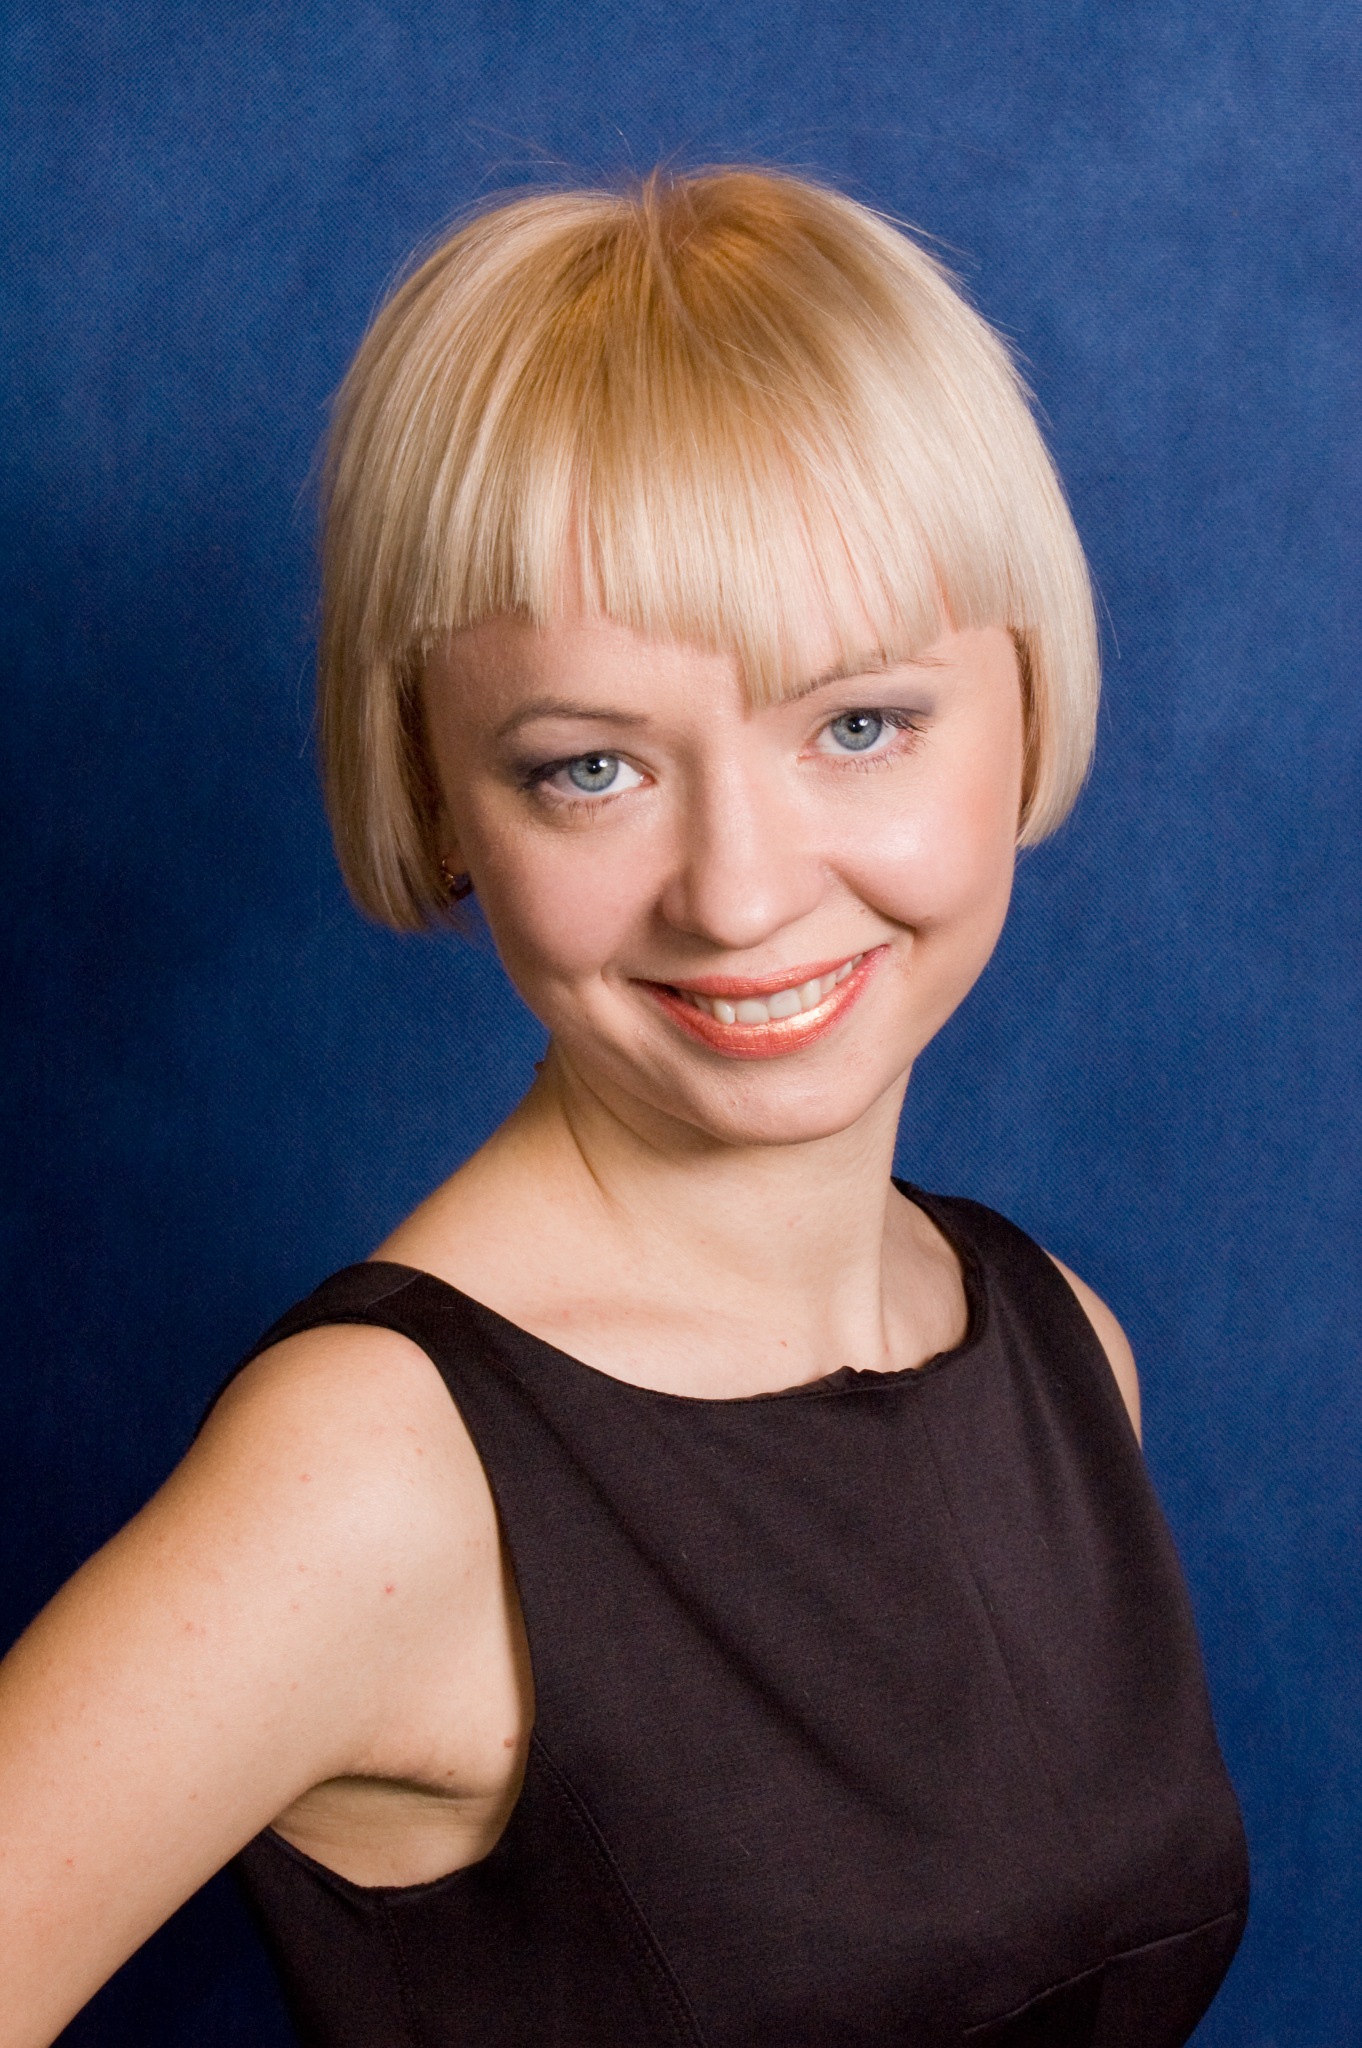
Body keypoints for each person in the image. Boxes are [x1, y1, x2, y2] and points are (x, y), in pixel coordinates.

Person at [0, 168, 1247, 2047]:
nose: (737, 894)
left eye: (857, 724)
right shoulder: (374, 1476)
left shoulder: (1059, 1345)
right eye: (589, 768)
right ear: (440, 801)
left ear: (1027, 709)